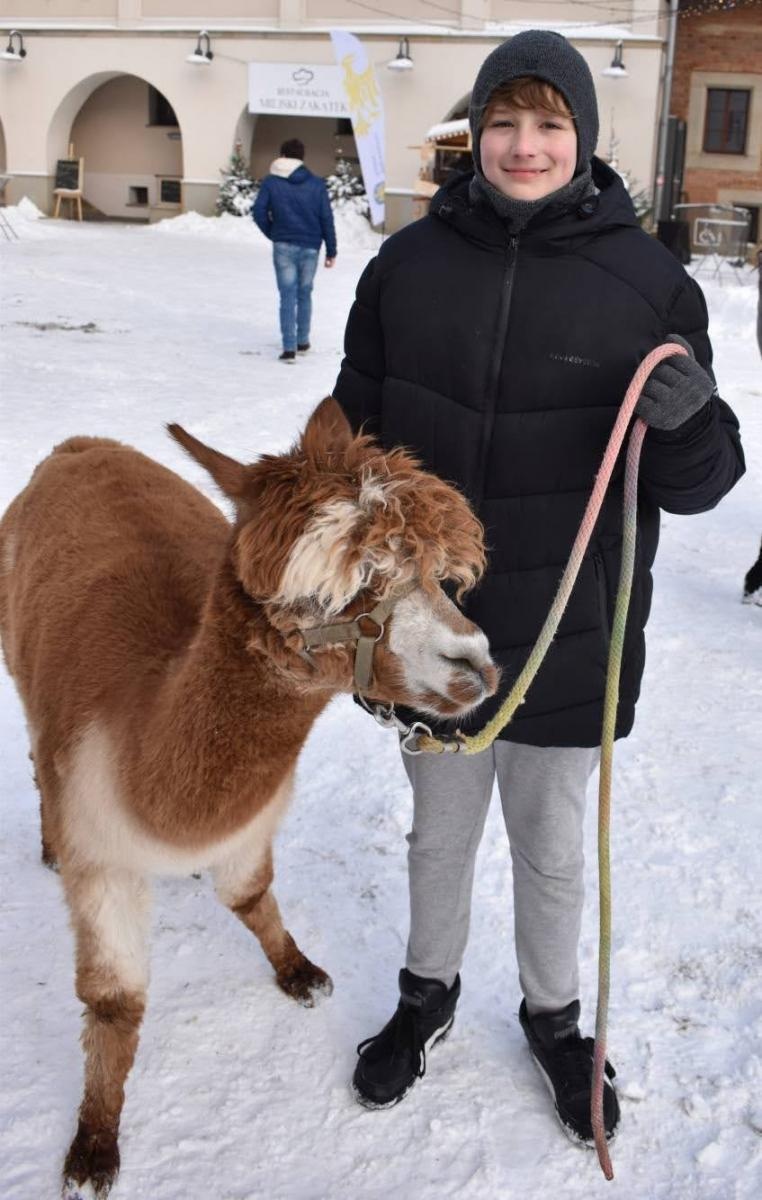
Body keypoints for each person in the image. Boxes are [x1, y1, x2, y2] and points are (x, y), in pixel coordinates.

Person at [333, 31, 744, 1147]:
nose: (524, 146)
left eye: (550, 124)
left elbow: (705, 483)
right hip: (436, 634)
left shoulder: (646, 282)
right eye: (506, 123)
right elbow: (350, 439)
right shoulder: (406, 268)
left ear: (583, 139)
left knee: (553, 847)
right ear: (479, 133)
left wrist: (692, 425)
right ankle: (427, 996)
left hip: (574, 631)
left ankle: (557, 1021)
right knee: (437, 836)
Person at [253, 138, 337, 362]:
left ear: (282, 155)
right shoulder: (317, 184)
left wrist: (274, 233)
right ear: (302, 157)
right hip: (311, 246)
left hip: (283, 245)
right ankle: (302, 341)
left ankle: (289, 348)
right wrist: (331, 249)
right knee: (305, 293)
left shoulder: (271, 182)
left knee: (287, 295)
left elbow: (258, 212)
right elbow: (326, 217)